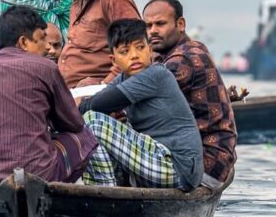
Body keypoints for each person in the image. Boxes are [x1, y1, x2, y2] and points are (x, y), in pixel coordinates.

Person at [0, 5, 97, 187]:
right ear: (24, 42)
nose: (47, 49)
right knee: (84, 135)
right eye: (42, 39)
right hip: (41, 174)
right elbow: (73, 124)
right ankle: (60, 194)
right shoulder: (46, 68)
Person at [78, 19, 203, 192]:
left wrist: (78, 107)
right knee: (88, 125)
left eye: (140, 47)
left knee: (92, 121)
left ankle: (105, 193)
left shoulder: (156, 74)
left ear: (150, 50)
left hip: (178, 168)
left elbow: (96, 105)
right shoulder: (122, 79)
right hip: (154, 161)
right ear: (114, 60)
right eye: (125, 51)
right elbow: (97, 101)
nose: (134, 55)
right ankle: (107, 188)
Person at [143, 0, 237, 187]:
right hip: (205, 158)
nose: (153, 30)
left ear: (181, 24)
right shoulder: (169, 54)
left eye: (160, 24)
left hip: (205, 166)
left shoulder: (183, 59)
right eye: (148, 25)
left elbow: (136, 101)